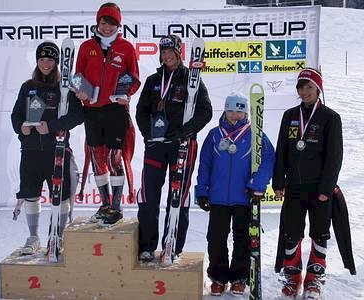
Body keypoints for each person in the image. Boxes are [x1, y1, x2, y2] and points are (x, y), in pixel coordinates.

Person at [135, 34, 212, 262]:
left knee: (177, 195)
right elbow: (141, 111)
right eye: (163, 52)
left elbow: (205, 111)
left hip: (182, 145)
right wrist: (148, 134)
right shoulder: (152, 80)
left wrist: (185, 131)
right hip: (156, 145)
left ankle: (173, 245)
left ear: (179, 53)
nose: (167, 56)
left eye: (171, 51)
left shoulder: (192, 80)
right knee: (149, 194)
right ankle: (147, 246)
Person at [272, 68, 343, 299]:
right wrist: (278, 181)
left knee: (320, 233)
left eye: (309, 87)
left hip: (319, 189)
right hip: (293, 187)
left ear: (318, 89)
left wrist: (326, 188)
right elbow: (281, 149)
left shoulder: (331, 118)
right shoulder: (290, 115)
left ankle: (314, 280)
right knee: (291, 233)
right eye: (301, 87)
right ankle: (293, 278)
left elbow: (335, 156)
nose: (304, 92)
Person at [194, 94, 275, 296]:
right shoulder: (214, 135)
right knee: (216, 238)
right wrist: (202, 190)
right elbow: (205, 164)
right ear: (224, 111)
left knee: (243, 239)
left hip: (244, 197)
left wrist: (258, 183)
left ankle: (239, 277)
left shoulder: (255, 135)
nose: (235, 115)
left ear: (246, 112)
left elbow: (269, 159)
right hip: (218, 197)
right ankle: (219, 277)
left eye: (239, 111)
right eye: (231, 110)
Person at [11, 41, 83, 255]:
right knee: (30, 194)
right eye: (42, 59)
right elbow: (16, 115)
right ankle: (33, 237)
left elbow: (78, 115)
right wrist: (21, 128)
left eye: (50, 59)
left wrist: (51, 127)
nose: (45, 63)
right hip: (31, 151)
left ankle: (58, 236)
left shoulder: (66, 86)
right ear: (37, 61)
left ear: (57, 62)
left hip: (56, 150)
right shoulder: (28, 86)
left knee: (60, 197)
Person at [75, 2, 140, 225]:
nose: (107, 28)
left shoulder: (126, 48)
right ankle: (104, 204)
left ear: (118, 26)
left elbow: (134, 77)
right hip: (92, 110)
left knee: (114, 158)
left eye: (112, 24)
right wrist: (81, 91)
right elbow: (77, 76)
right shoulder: (86, 47)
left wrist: (127, 94)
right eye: (104, 22)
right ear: (98, 22)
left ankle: (116, 207)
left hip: (115, 110)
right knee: (97, 158)